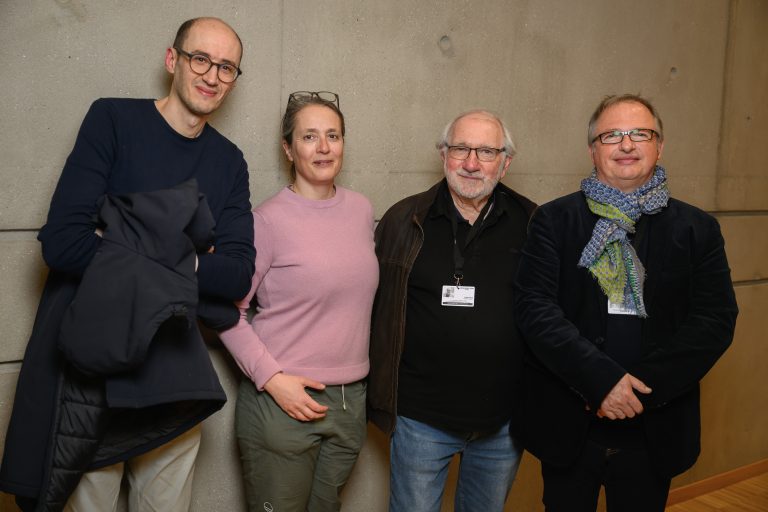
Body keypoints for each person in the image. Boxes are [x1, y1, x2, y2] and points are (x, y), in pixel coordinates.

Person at [0, 17, 255, 511]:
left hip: (174, 383)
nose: (212, 75)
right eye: (201, 59)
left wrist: (122, 241)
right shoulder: (112, 120)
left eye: (227, 67)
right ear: (172, 60)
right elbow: (64, 243)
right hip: (93, 378)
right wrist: (190, 258)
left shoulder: (230, 161)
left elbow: (238, 273)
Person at [513, 94, 738, 512]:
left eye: (640, 134)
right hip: (569, 425)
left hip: (655, 430)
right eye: (612, 134)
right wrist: (600, 382)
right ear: (593, 149)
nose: (627, 145)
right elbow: (535, 309)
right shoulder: (553, 220)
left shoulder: (698, 229)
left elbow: (714, 321)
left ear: (660, 145)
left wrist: (636, 391)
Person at [219, 91, 379, 512]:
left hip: (350, 402)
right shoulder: (266, 221)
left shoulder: (362, 210)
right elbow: (227, 314)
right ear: (288, 148)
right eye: (310, 137)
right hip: (283, 402)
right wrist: (273, 380)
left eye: (333, 135)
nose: (324, 148)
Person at [369, 110, 536, 511]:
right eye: (461, 148)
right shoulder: (403, 220)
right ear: (443, 154)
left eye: (487, 151)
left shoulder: (533, 223)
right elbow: (375, 310)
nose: (472, 163)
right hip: (419, 418)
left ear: (506, 161)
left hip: (503, 423)